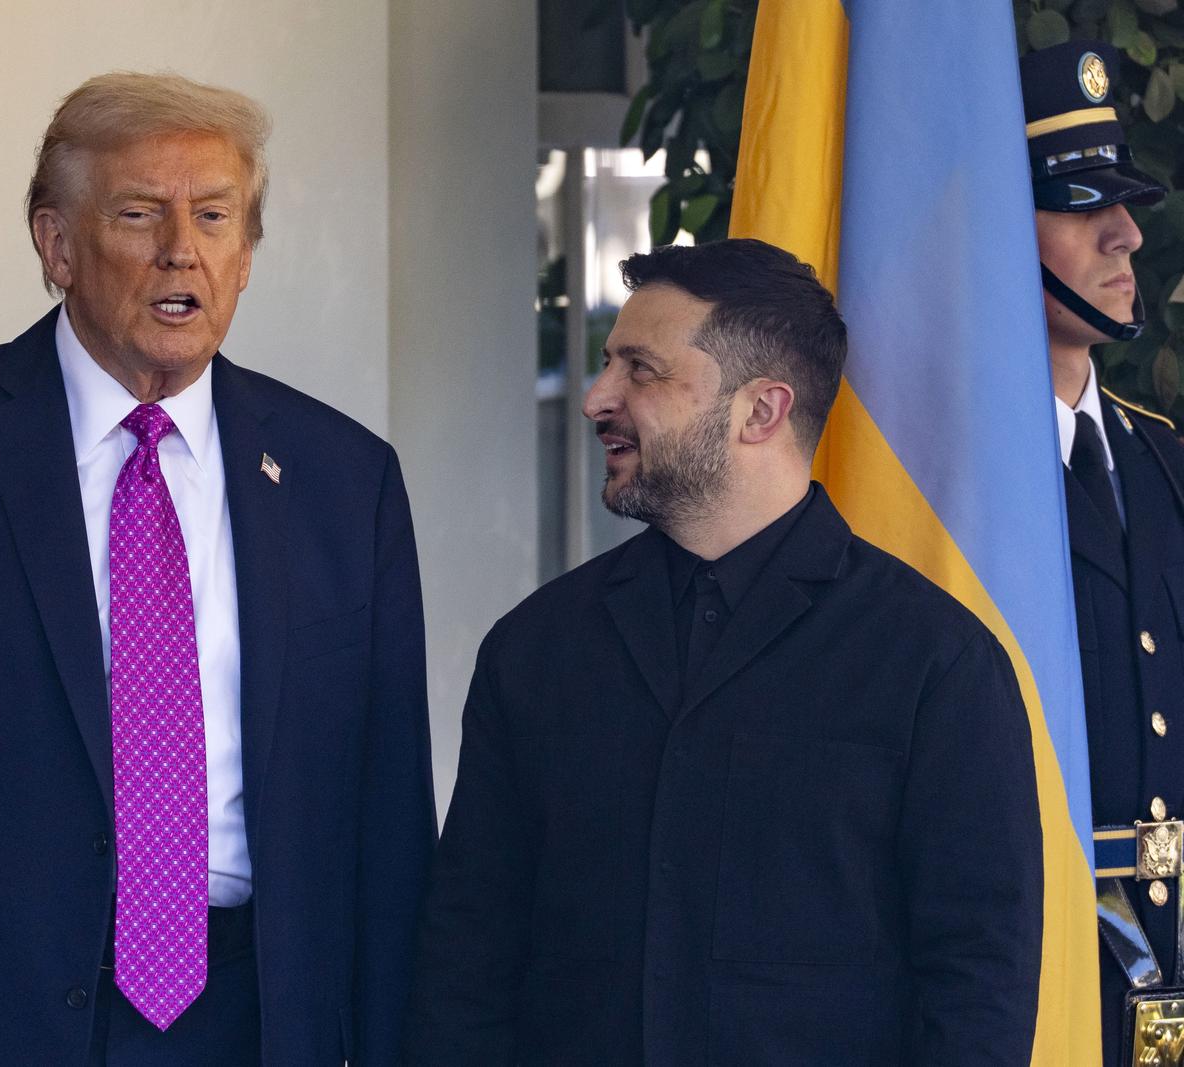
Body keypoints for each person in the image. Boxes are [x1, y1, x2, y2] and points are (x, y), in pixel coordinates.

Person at [0, 71, 435, 1066]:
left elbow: (388, 833)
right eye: (138, 213)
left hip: (250, 1022)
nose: (180, 249)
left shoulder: (342, 478)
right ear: (56, 244)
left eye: (213, 215)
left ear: (245, 257)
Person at [405, 238, 1044, 1064]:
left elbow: (978, 991)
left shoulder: (938, 664)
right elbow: (466, 964)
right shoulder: (534, 649)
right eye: (608, 364)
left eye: (641, 369)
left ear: (761, 410)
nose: (598, 396)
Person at [1019, 41, 1184, 1065]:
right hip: (1039, 948)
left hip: (1162, 948)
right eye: (1084, 207)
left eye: (1121, 204)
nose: (1125, 234)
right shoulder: (952, 487)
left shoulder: (1161, 457)